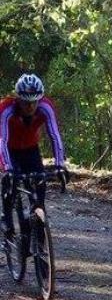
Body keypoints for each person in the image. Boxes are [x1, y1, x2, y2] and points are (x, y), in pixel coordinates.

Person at [0, 74, 67, 240]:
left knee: (39, 186)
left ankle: (40, 234)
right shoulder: (6, 109)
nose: (30, 106)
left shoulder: (45, 107)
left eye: (34, 102)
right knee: (10, 182)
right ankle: (7, 221)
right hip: (10, 149)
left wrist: (60, 165)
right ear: (18, 99)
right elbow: (2, 140)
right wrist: (7, 168)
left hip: (31, 149)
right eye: (25, 102)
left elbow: (54, 135)